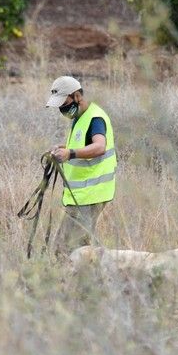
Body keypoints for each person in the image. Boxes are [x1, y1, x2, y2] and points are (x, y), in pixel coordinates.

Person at [45, 75, 117, 257]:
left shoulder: (95, 118)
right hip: (82, 195)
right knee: (81, 250)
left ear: (77, 96)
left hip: (90, 195)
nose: (62, 108)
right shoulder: (79, 117)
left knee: (65, 250)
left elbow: (99, 146)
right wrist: (65, 149)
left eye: (64, 103)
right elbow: (83, 147)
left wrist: (70, 153)